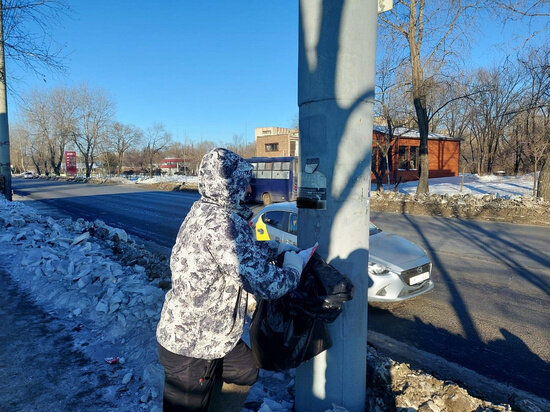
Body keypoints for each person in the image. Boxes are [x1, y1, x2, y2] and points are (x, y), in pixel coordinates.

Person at [156, 148, 303, 411]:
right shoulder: (222, 223)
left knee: (244, 370)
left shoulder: (204, 210)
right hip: (191, 344)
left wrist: (276, 249)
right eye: (243, 183)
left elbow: (237, 253)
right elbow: (267, 284)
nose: (248, 190)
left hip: (213, 333)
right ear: (228, 185)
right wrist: (293, 270)